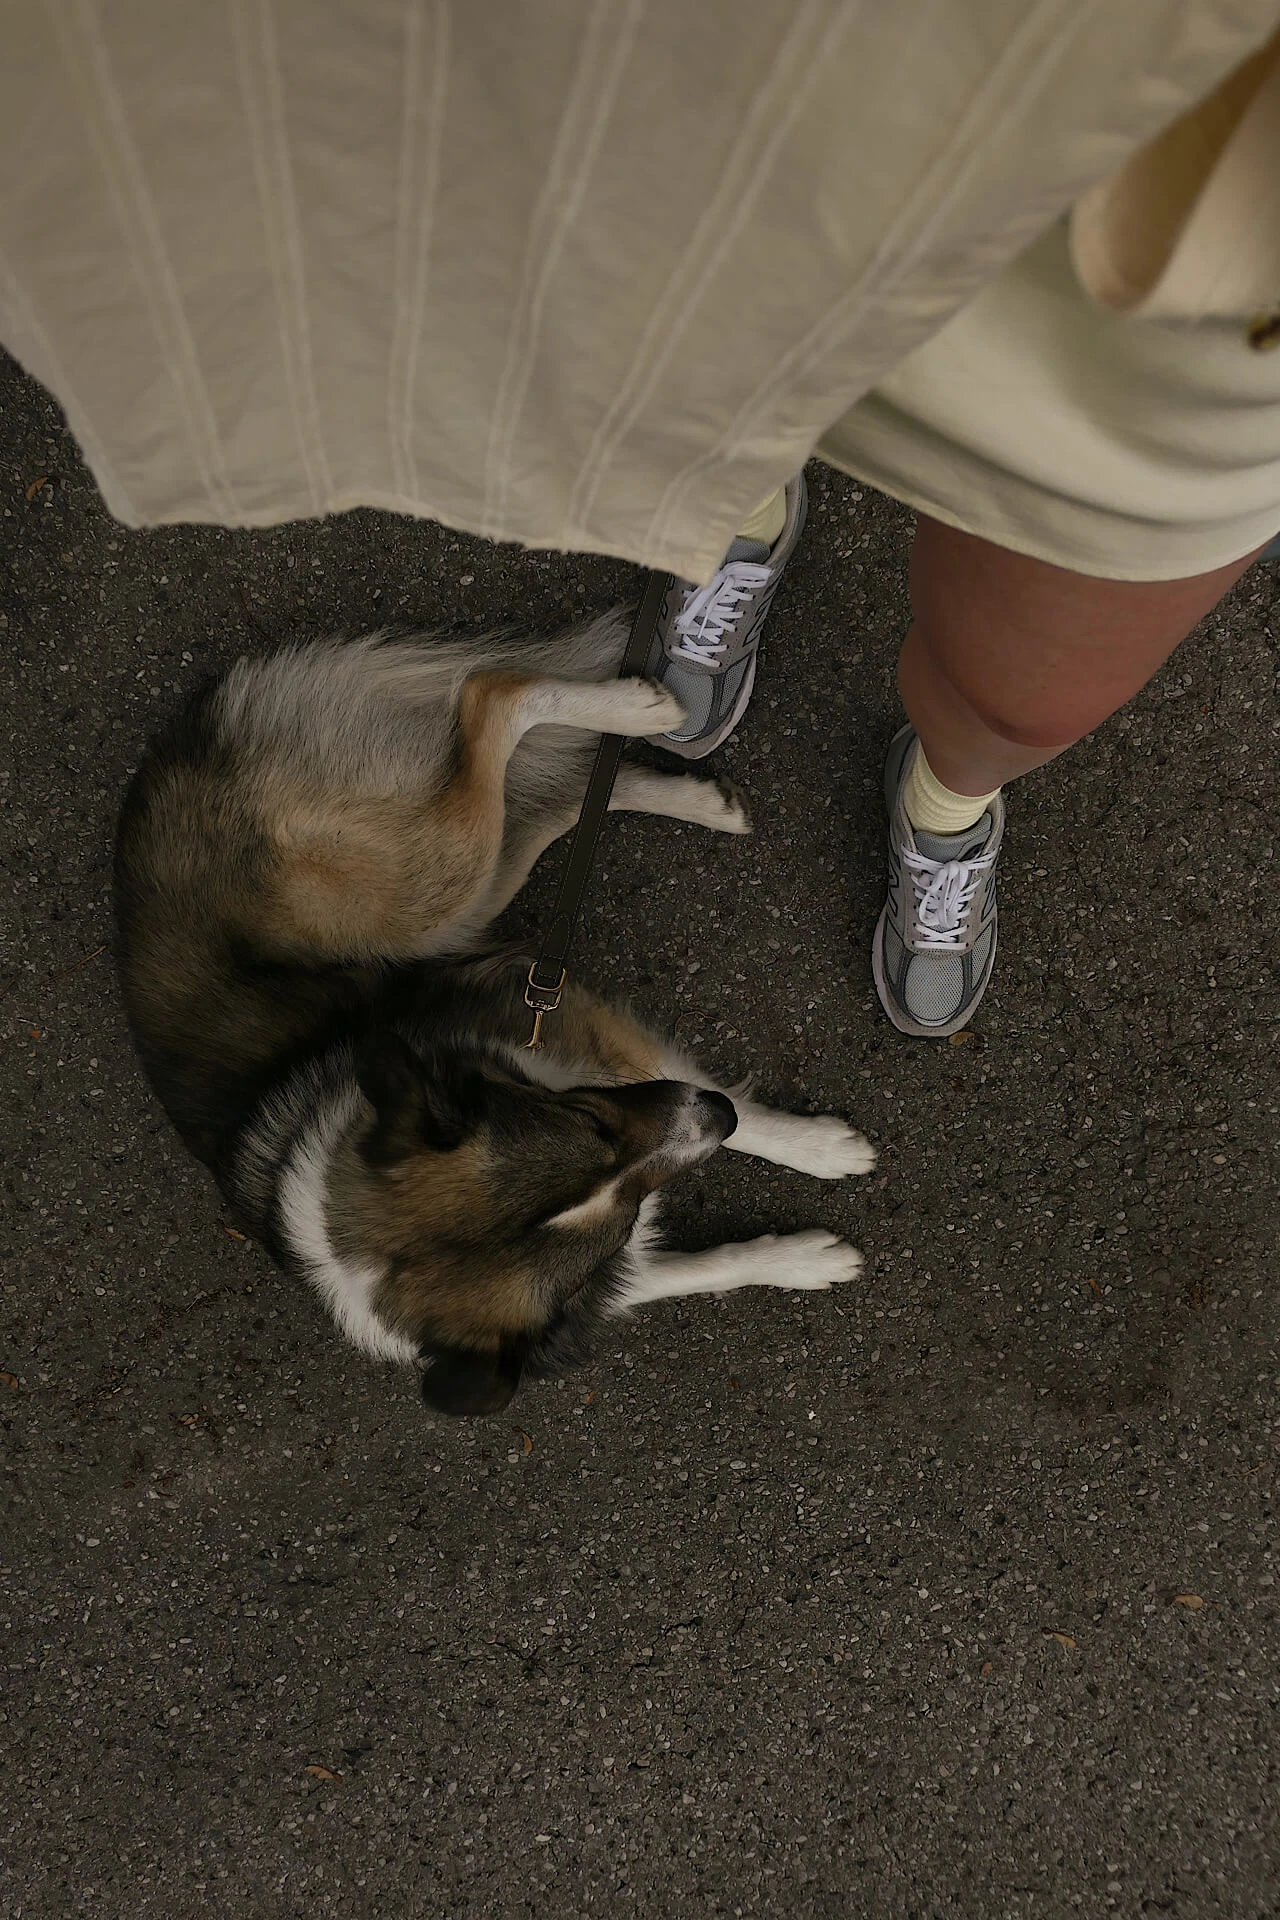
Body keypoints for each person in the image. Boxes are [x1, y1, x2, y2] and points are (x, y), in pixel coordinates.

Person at [3, 5, 1280, 1039]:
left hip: (1188, 203)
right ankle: (739, 515)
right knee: (719, 352)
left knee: (1026, 682)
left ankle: (950, 800)